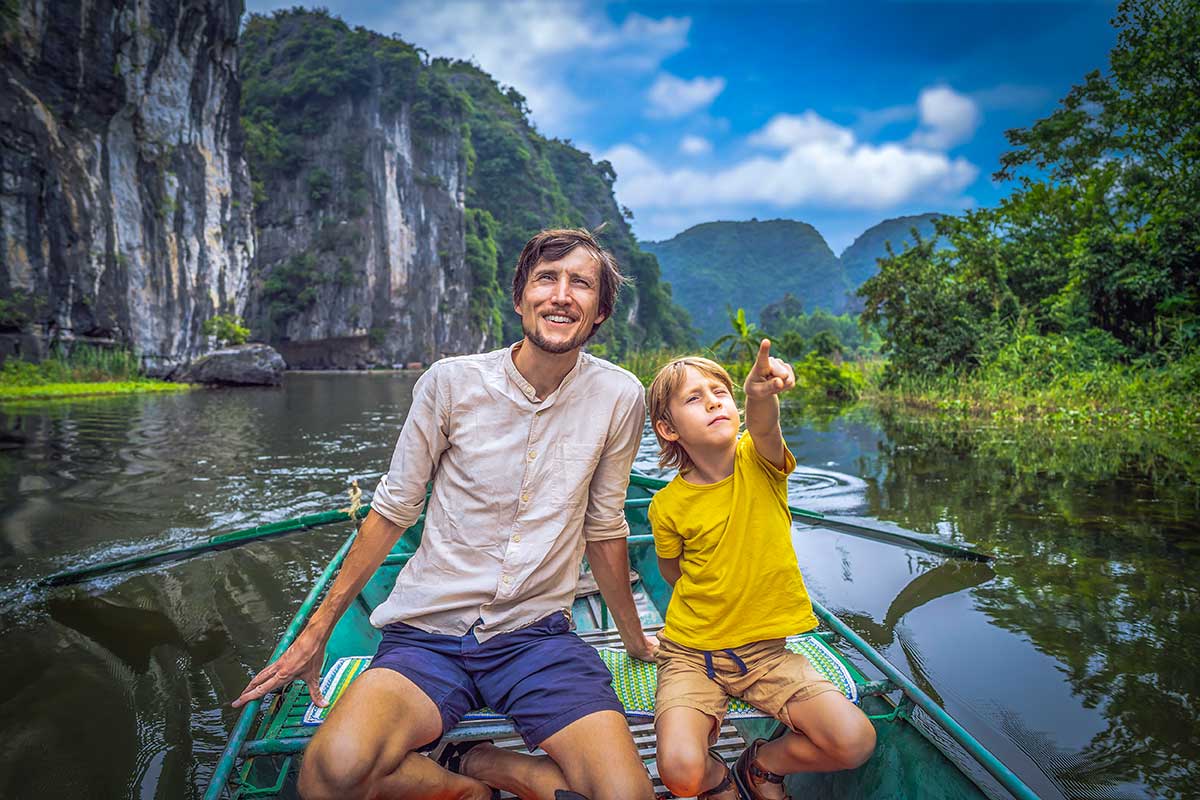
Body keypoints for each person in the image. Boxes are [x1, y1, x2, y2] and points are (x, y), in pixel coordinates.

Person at [233, 228, 658, 800]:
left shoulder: (620, 396)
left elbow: (604, 527)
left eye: (580, 283)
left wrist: (633, 639)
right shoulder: (451, 383)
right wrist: (317, 632)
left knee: (627, 794)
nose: (561, 295)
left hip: (537, 637)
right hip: (427, 633)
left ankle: (482, 761)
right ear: (520, 298)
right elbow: (392, 511)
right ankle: (465, 785)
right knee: (330, 774)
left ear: (601, 310)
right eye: (546, 279)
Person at [646, 344, 876, 800]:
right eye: (694, 398)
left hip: (768, 656)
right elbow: (673, 573)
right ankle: (717, 780)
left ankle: (761, 764)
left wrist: (759, 393)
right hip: (693, 655)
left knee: (856, 741)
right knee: (679, 772)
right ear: (668, 429)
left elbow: (766, 424)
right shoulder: (666, 505)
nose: (714, 401)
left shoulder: (760, 462)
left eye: (721, 392)